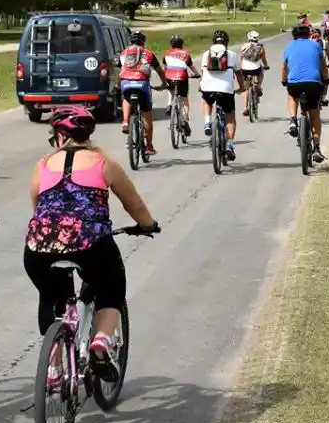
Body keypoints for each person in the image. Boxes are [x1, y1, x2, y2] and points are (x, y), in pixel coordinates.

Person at [24, 106, 159, 384]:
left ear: (60, 136)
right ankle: (100, 340)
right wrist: (147, 224)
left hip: (41, 245)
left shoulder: (42, 165)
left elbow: (38, 207)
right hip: (90, 243)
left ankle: (53, 368)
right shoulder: (104, 163)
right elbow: (135, 205)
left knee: (50, 296)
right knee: (111, 284)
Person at [282, 25, 329, 163]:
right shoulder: (315, 46)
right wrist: (326, 79)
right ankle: (316, 148)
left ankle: (292, 120)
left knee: (292, 95)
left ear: (294, 36)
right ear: (308, 34)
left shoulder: (289, 46)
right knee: (314, 114)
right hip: (313, 83)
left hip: (295, 82)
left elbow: (284, 67)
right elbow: (323, 66)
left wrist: (284, 80)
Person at [119, 30, 170, 155]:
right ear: (143, 41)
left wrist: (117, 84)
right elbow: (159, 71)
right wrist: (164, 84)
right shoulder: (148, 53)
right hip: (142, 84)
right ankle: (149, 146)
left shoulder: (124, 53)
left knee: (126, 98)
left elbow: (121, 70)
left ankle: (125, 121)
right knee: (147, 114)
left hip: (126, 83)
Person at [200, 29, 245, 161]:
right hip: (226, 89)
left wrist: (202, 84)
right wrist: (241, 87)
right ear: (226, 42)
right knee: (230, 118)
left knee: (207, 101)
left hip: (207, 87)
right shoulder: (231, 55)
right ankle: (230, 145)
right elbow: (238, 74)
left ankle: (207, 123)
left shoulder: (206, 54)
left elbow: (203, 72)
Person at [162, 34, 201, 136]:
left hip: (169, 76)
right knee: (184, 100)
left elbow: (165, 66)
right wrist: (196, 74)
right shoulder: (186, 53)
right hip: (182, 76)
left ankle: (169, 104)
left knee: (170, 90)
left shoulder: (167, 53)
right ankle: (185, 119)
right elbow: (190, 66)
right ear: (181, 44)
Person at [239, 30, 270, 117]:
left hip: (245, 69)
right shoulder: (260, 47)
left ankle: (245, 108)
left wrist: (241, 66)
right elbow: (263, 59)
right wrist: (266, 65)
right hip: (256, 69)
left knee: (246, 89)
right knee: (261, 72)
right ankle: (258, 86)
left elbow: (241, 57)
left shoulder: (244, 46)